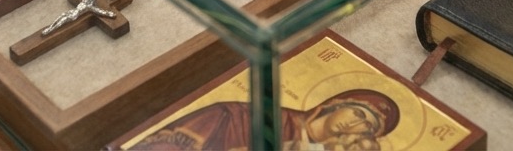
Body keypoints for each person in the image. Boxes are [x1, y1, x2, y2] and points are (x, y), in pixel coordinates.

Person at [127, 88, 400, 150]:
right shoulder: (241, 117)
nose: (356, 125)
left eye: (368, 126)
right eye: (358, 113)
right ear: (335, 104)